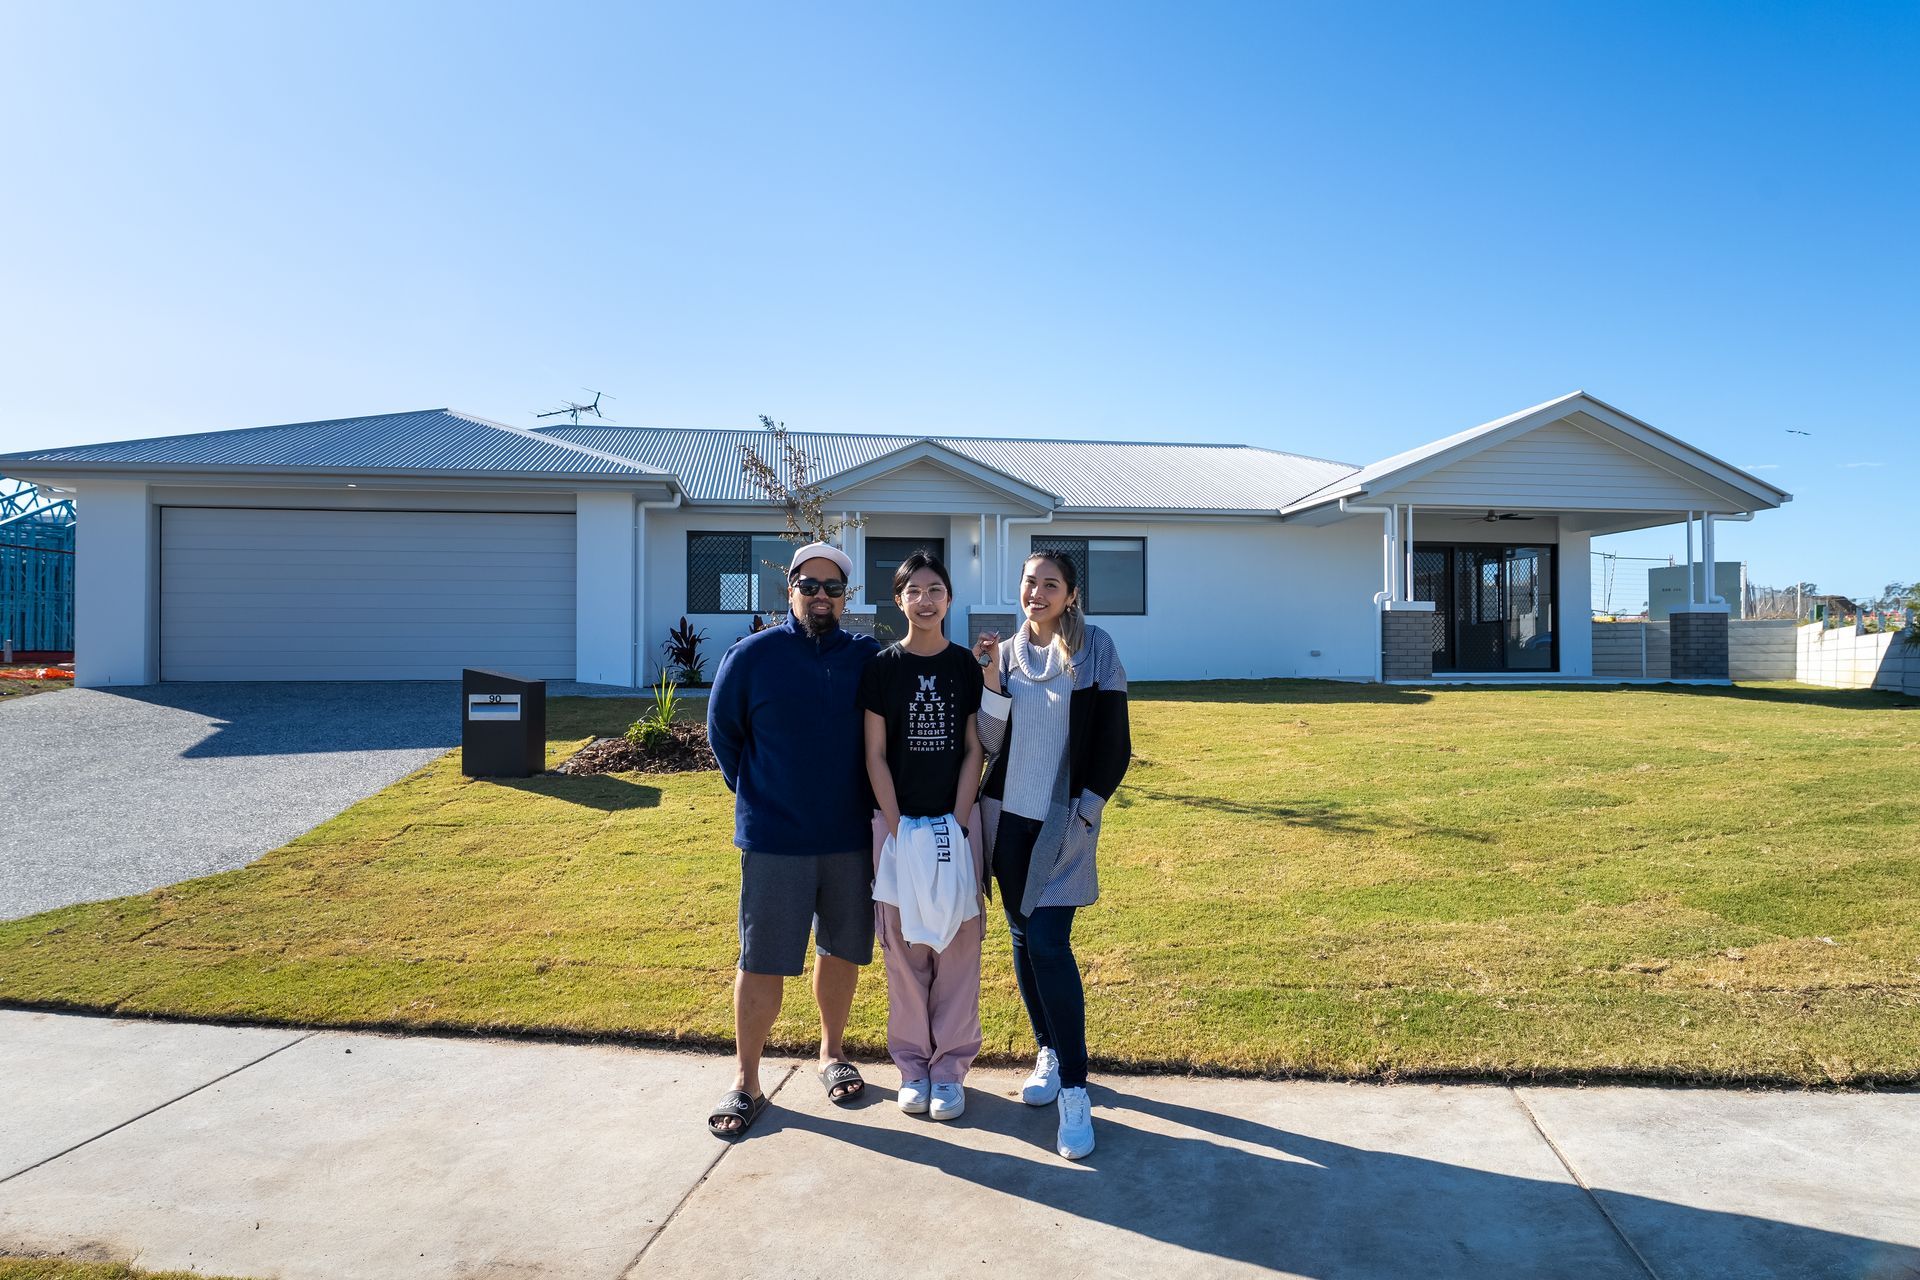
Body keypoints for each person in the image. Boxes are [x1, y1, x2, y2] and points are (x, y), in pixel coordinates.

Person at [704, 539, 881, 1138]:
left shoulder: (866, 657)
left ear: (846, 596)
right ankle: (746, 1080)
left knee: (841, 950)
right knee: (763, 960)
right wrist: (761, 792)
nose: (821, 596)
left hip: (850, 836)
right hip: (775, 838)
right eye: (810, 586)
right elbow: (724, 736)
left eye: (833, 588)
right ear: (790, 590)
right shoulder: (751, 656)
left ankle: (832, 1054)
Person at [972, 548, 1131, 1160]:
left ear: (1071, 594)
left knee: (1047, 943)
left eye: (1050, 584)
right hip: (1006, 821)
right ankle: (1047, 1047)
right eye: (1029, 583)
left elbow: (1114, 743)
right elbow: (989, 743)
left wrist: (1087, 813)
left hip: (1064, 823)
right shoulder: (1007, 655)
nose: (1037, 593)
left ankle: (1074, 1090)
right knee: (1019, 935)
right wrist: (987, 677)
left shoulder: (1096, 649)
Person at [858, 550, 986, 1121]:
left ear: (949, 599)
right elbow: (876, 754)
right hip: (897, 826)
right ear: (900, 600)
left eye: (936, 589)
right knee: (904, 946)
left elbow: (973, 748)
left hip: (956, 824)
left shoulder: (964, 667)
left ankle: (951, 1069)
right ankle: (912, 1067)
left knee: (958, 947)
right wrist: (895, 828)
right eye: (915, 591)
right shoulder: (882, 668)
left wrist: (957, 824)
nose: (926, 600)